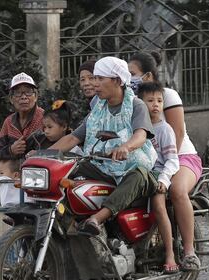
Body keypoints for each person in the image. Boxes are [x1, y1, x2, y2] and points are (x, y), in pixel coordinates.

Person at [49, 56, 158, 235]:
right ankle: (62, 221)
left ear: (116, 80)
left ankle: (97, 219)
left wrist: (126, 147)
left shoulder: (136, 105)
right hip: (102, 166)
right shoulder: (97, 110)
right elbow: (72, 139)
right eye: (93, 78)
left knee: (138, 176)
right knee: (70, 167)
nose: (94, 84)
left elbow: (141, 135)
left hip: (133, 167)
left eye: (99, 79)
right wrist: (42, 154)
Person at [129, 51, 204, 271]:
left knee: (177, 191)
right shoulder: (131, 100)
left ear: (147, 75)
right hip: (149, 163)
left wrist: (165, 172)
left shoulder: (167, 95)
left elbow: (177, 134)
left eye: (132, 73)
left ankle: (189, 252)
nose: (128, 78)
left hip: (179, 157)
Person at [137, 81, 180, 274]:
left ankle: (170, 253)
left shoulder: (165, 130)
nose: (155, 104)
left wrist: (163, 180)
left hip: (157, 174)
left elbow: (172, 160)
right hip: (137, 172)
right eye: (150, 100)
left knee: (159, 206)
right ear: (139, 102)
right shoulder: (135, 127)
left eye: (159, 100)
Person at [0, 72, 44, 160]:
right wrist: (11, 150)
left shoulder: (45, 118)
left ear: (36, 96)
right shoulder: (8, 122)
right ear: (11, 99)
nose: (24, 97)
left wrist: (39, 154)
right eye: (18, 93)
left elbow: (59, 147)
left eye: (28, 92)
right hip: (13, 172)